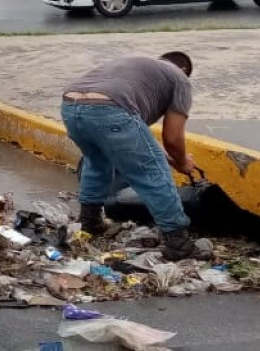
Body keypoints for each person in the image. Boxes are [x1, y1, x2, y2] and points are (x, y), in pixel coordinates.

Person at [62, 51, 201, 260]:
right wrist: (182, 162)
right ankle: (179, 244)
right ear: (183, 70)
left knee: (97, 161)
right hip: (110, 107)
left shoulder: (139, 68)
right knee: (152, 173)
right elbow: (172, 138)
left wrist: (173, 159)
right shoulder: (180, 78)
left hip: (71, 106)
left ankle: (89, 222)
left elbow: (140, 136)